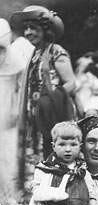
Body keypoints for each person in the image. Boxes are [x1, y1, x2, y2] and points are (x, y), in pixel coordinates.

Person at [10, 5, 76, 159]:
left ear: (46, 31)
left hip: (54, 115)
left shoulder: (56, 51)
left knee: (56, 154)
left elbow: (71, 83)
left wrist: (49, 101)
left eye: (33, 28)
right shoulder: (34, 55)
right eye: (26, 29)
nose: (28, 33)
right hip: (35, 116)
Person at [0, 18, 28, 205]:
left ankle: (10, 197)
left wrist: (15, 111)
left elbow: (21, 89)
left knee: (7, 156)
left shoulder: (15, 60)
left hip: (8, 111)